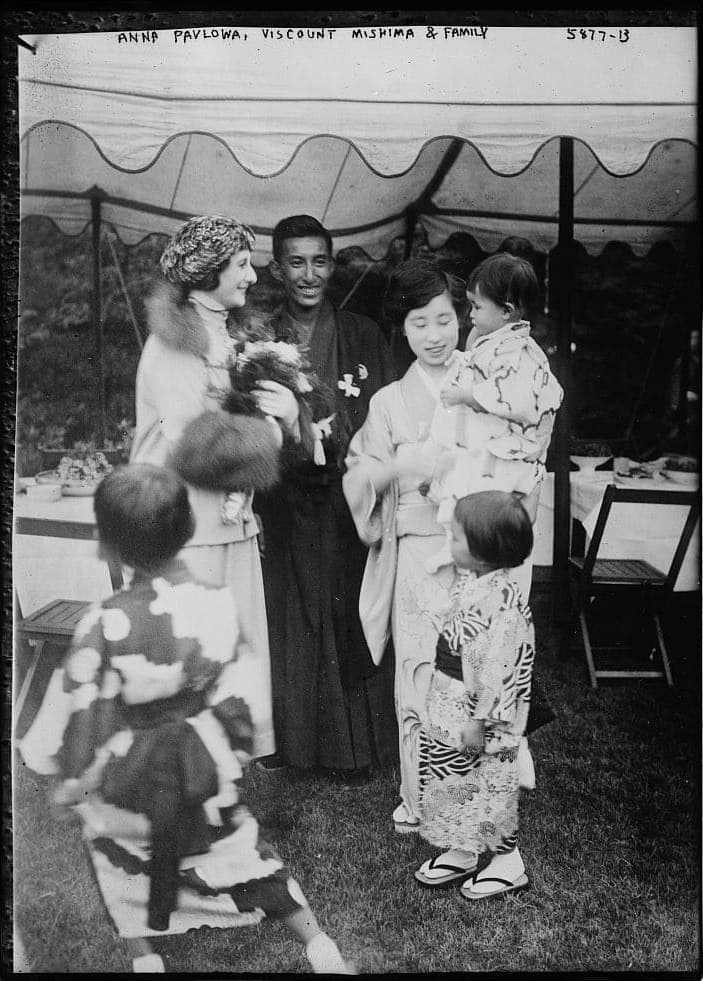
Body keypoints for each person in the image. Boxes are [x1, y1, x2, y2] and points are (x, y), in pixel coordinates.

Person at [46, 464, 353, 974]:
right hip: (200, 764)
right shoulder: (216, 602)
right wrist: (229, 752)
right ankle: (320, 946)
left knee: (113, 854)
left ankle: (145, 958)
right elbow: (241, 691)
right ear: (188, 528)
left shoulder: (103, 621)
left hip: (133, 774)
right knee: (241, 853)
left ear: (111, 544)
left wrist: (74, 779)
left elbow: (83, 707)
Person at [130, 215, 296, 758]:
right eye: (241, 264)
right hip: (187, 528)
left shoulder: (224, 334)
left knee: (229, 655)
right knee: (195, 656)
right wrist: (269, 432)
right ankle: (185, 781)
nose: (252, 275)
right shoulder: (176, 342)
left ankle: (216, 778)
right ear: (209, 273)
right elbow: (194, 446)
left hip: (227, 523)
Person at [254, 214, 397, 781]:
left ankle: (355, 750)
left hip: (348, 499)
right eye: (295, 261)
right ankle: (296, 745)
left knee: (348, 613)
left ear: (333, 266)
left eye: (319, 261)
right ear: (277, 267)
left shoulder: (363, 334)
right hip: (287, 500)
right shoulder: (261, 338)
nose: (308, 274)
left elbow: (384, 417)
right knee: (293, 618)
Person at [342, 259, 468, 831]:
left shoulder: (484, 384)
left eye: (445, 319)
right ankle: (419, 796)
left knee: (474, 670)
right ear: (403, 328)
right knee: (418, 668)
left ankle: (470, 791)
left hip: (476, 550)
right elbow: (358, 474)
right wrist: (397, 465)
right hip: (416, 550)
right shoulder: (389, 401)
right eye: (420, 323)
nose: (436, 336)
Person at [413, 491, 534, 900]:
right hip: (451, 703)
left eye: (457, 537)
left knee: (488, 784)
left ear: (484, 552)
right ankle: (462, 849)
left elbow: (498, 672)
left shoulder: (502, 603)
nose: (449, 542)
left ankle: (507, 860)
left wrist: (478, 720)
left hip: (481, 715)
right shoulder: (474, 581)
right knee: (450, 777)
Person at [424, 251, 564, 576]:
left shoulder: (518, 350)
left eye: (477, 306)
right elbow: (473, 357)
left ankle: (465, 550)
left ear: (506, 311)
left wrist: (467, 395)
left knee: (481, 503)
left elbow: (512, 396)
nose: (470, 313)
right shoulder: (496, 339)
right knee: (460, 487)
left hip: (507, 451)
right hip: (487, 442)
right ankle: (455, 545)